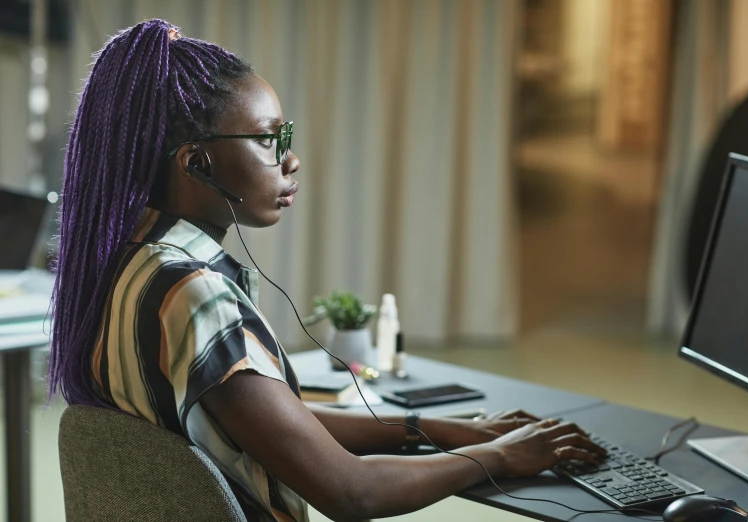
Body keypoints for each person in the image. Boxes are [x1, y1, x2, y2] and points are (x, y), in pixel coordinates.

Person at [49, 20, 604, 522]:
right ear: (198, 162)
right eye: (270, 139)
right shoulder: (194, 294)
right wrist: (499, 455)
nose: (291, 160)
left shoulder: (123, 265)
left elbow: (274, 425)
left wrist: (436, 429)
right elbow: (352, 493)